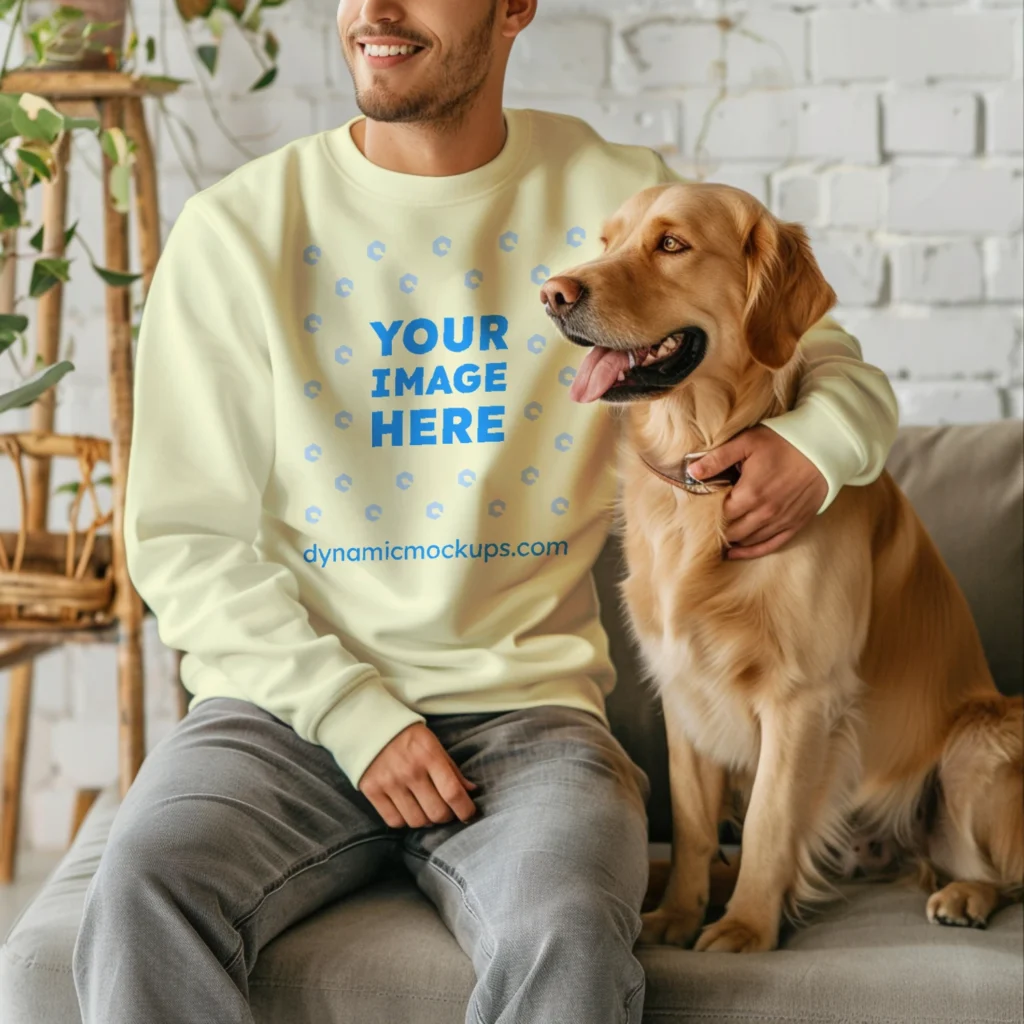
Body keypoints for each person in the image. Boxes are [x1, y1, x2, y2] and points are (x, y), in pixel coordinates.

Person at [71, 1, 899, 1021]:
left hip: (533, 722)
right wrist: (353, 716)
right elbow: (182, 542)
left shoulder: (610, 198)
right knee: (140, 890)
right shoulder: (237, 230)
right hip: (279, 715)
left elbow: (830, 363)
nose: (375, 10)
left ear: (513, 9)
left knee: (566, 928)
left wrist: (813, 448)